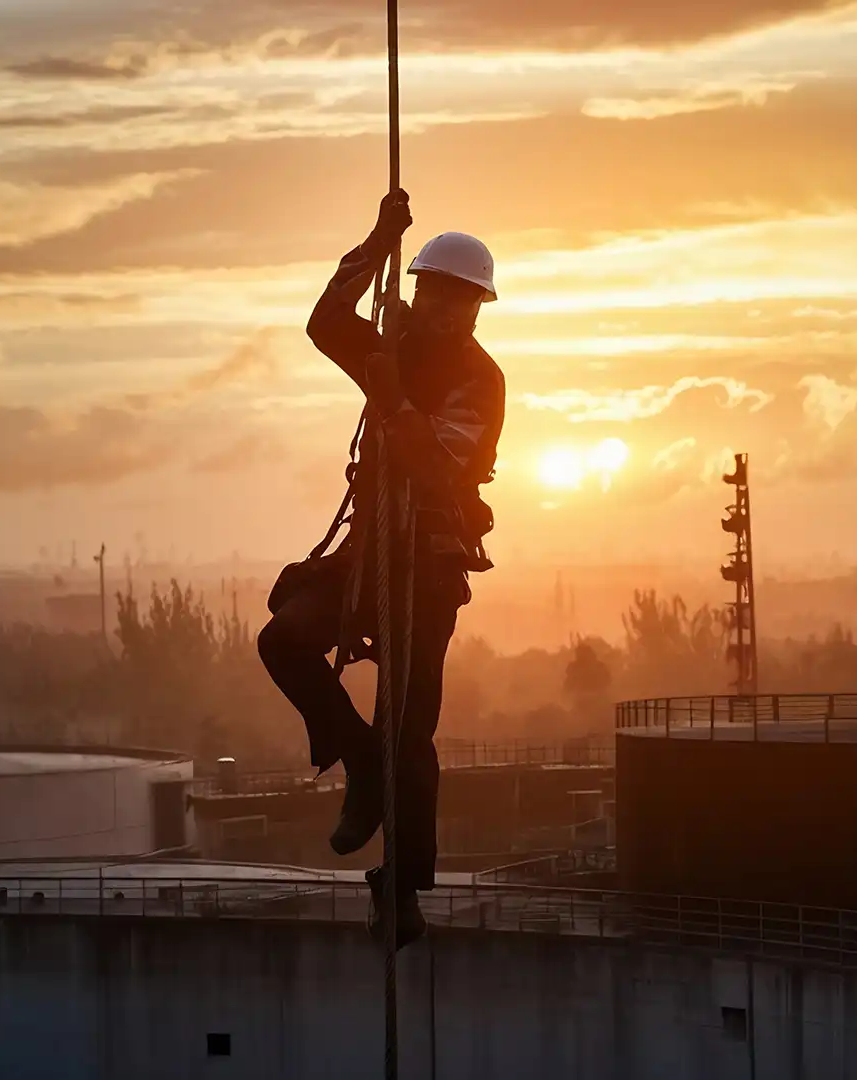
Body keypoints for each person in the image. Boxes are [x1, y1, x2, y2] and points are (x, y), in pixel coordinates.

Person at [257, 189, 504, 948]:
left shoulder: (478, 380)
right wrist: (374, 242)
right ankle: (358, 759)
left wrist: (394, 398)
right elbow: (326, 323)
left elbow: (438, 465)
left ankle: (400, 890)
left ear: (476, 311)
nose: (448, 312)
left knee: (410, 729)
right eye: (437, 295)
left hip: (426, 570)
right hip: (369, 558)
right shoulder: (393, 354)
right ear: (421, 291)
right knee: (284, 641)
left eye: (463, 304)